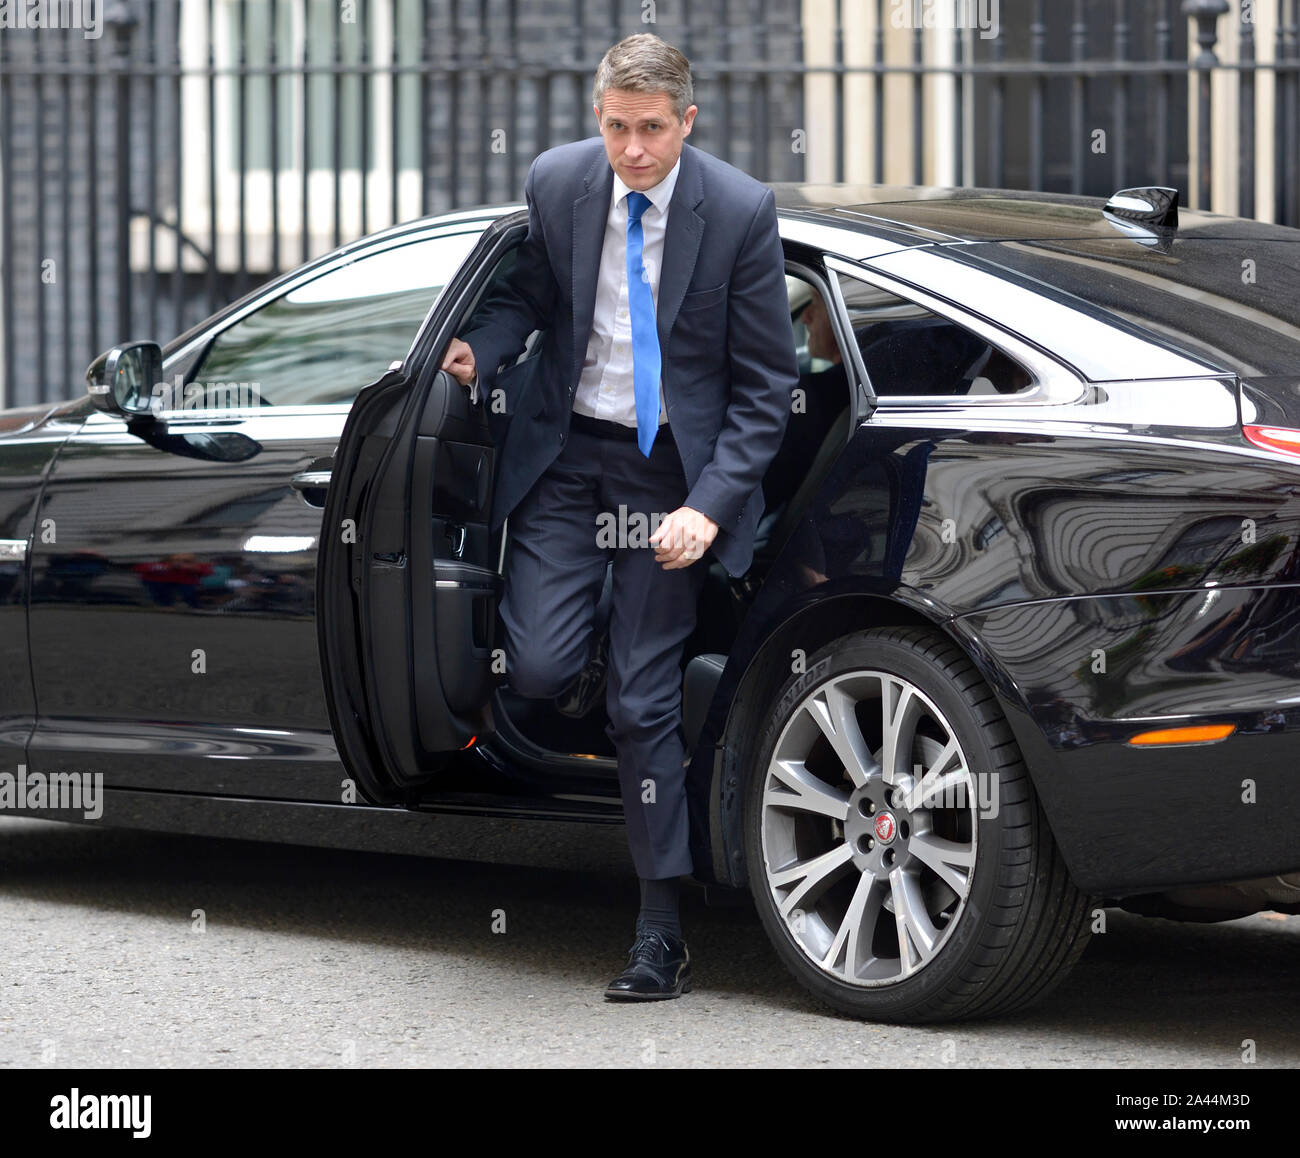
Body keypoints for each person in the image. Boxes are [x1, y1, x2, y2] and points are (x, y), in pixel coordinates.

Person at [440, 32, 798, 1001]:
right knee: (547, 666)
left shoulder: (736, 212)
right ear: (594, 118)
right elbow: (529, 298)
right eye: (615, 128)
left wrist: (708, 508)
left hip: (665, 478)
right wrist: (479, 347)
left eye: (650, 130)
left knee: (643, 702)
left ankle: (658, 929)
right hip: (565, 459)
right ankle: (606, 640)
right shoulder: (559, 182)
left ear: (687, 121)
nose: (632, 150)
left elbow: (768, 388)